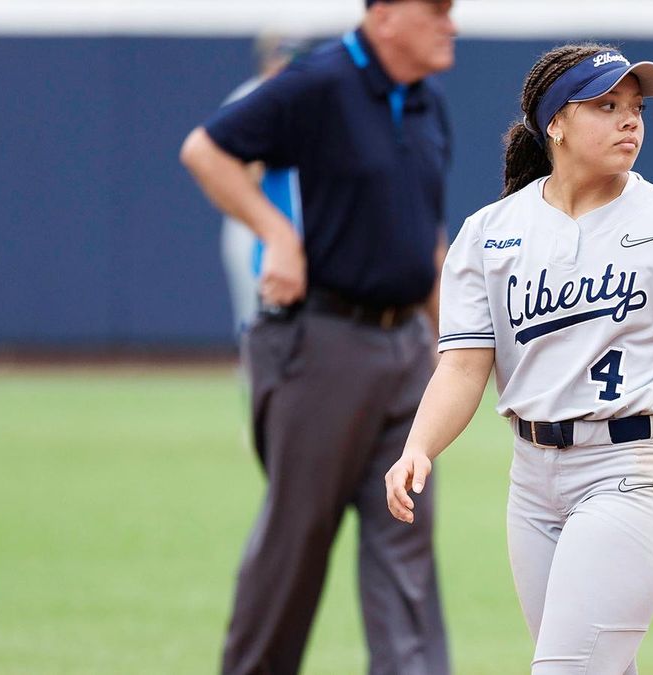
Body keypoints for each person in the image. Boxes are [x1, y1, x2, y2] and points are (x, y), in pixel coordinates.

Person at [386, 43, 653, 673]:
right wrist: (418, 446)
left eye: (636, 108)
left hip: (635, 470)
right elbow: (461, 366)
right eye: (606, 105)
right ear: (555, 125)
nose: (629, 120)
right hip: (531, 484)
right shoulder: (490, 233)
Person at [179, 1, 456, 673]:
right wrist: (276, 233)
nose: (452, 22)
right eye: (438, 9)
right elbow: (205, 150)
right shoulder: (319, 82)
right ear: (386, 15)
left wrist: (458, 350)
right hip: (322, 344)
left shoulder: (428, 108)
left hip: (408, 355)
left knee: (407, 556)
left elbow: (427, 245)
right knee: (293, 549)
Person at [219, 34, 310, 338]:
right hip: (253, 223)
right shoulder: (251, 99)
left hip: (298, 224)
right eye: (279, 58)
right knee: (256, 321)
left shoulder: (310, 100)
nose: (284, 67)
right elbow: (223, 166)